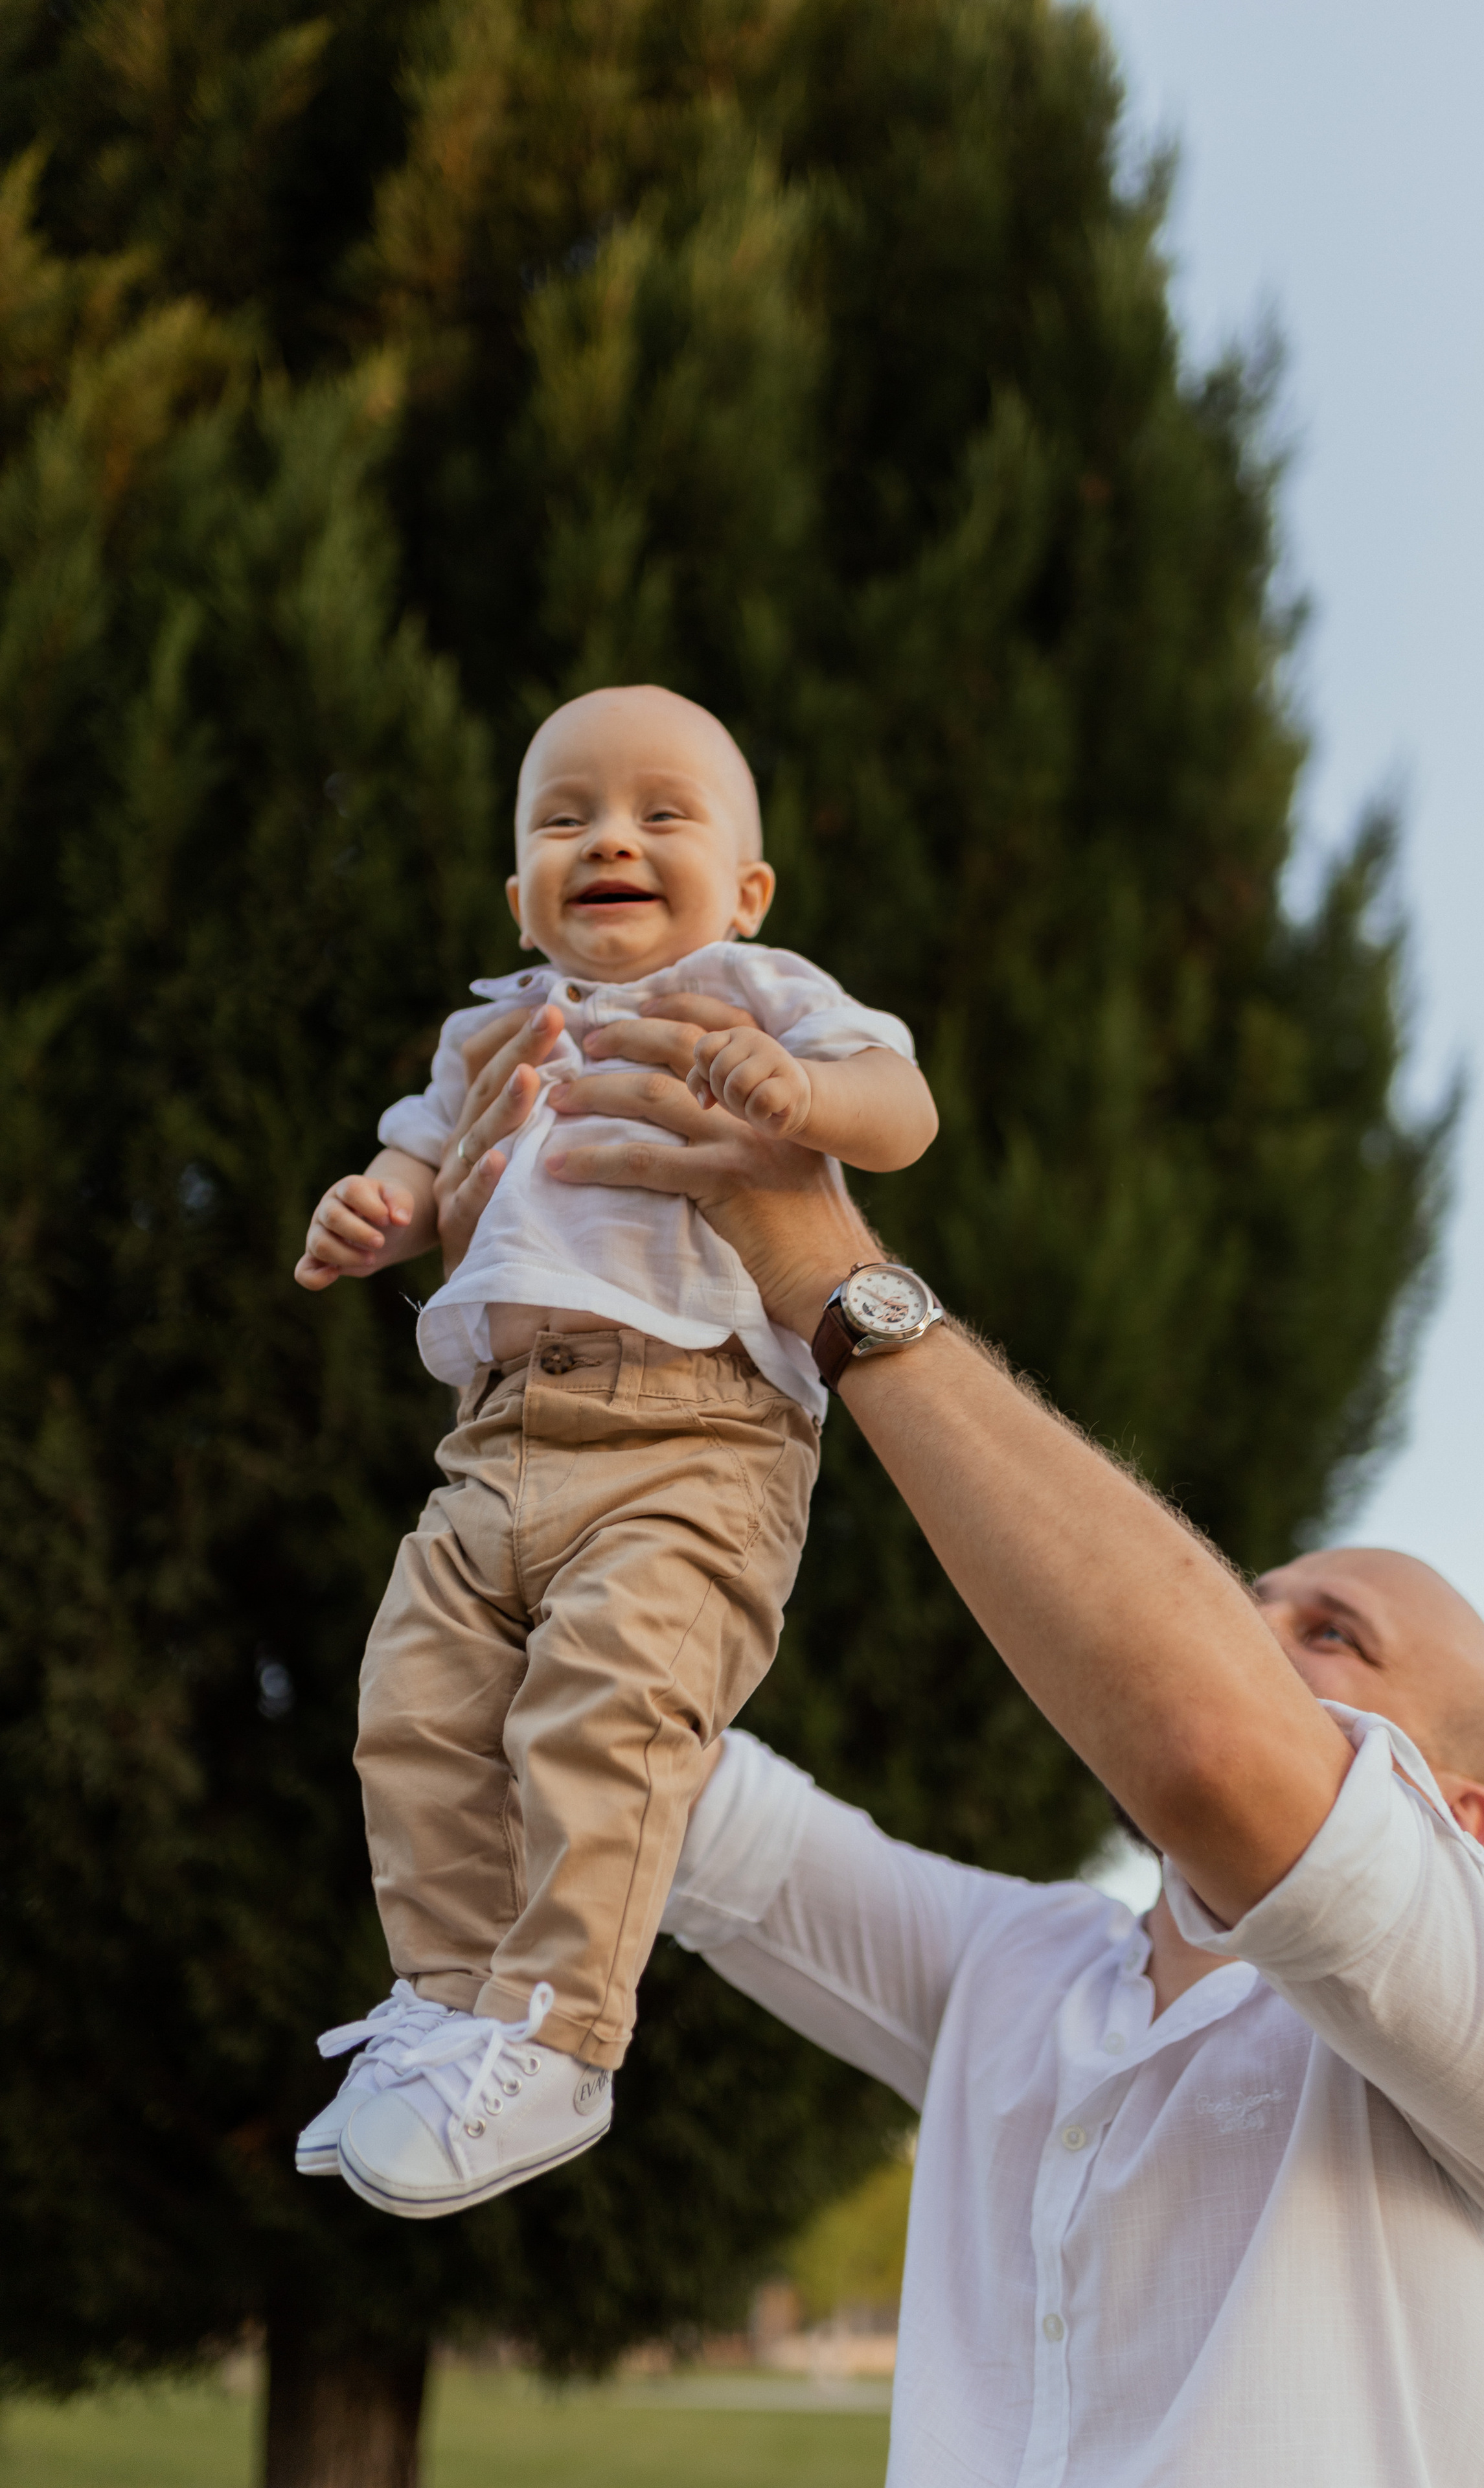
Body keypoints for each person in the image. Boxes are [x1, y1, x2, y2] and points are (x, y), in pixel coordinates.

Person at [426, 1000, 1484, 2486]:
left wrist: (824, 1264)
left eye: (1329, 1638)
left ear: (1461, 1819)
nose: (1251, 1640)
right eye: (1243, 1605)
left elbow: (1216, 1750)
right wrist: (537, 1388)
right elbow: (626, 1764)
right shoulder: (1014, 1971)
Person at [288, 685, 937, 2219]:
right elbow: (411, 1169)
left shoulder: (758, 986)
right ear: (520, 893)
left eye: (662, 813)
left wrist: (806, 1094)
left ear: (747, 886)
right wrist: (376, 1213)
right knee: (415, 1704)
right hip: (500, 1437)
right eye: (565, 818)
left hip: (694, 1431)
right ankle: (446, 2008)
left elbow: (897, 1106)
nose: (612, 840)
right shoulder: (488, 1029)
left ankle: (560, 2032)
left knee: (608, 1702)